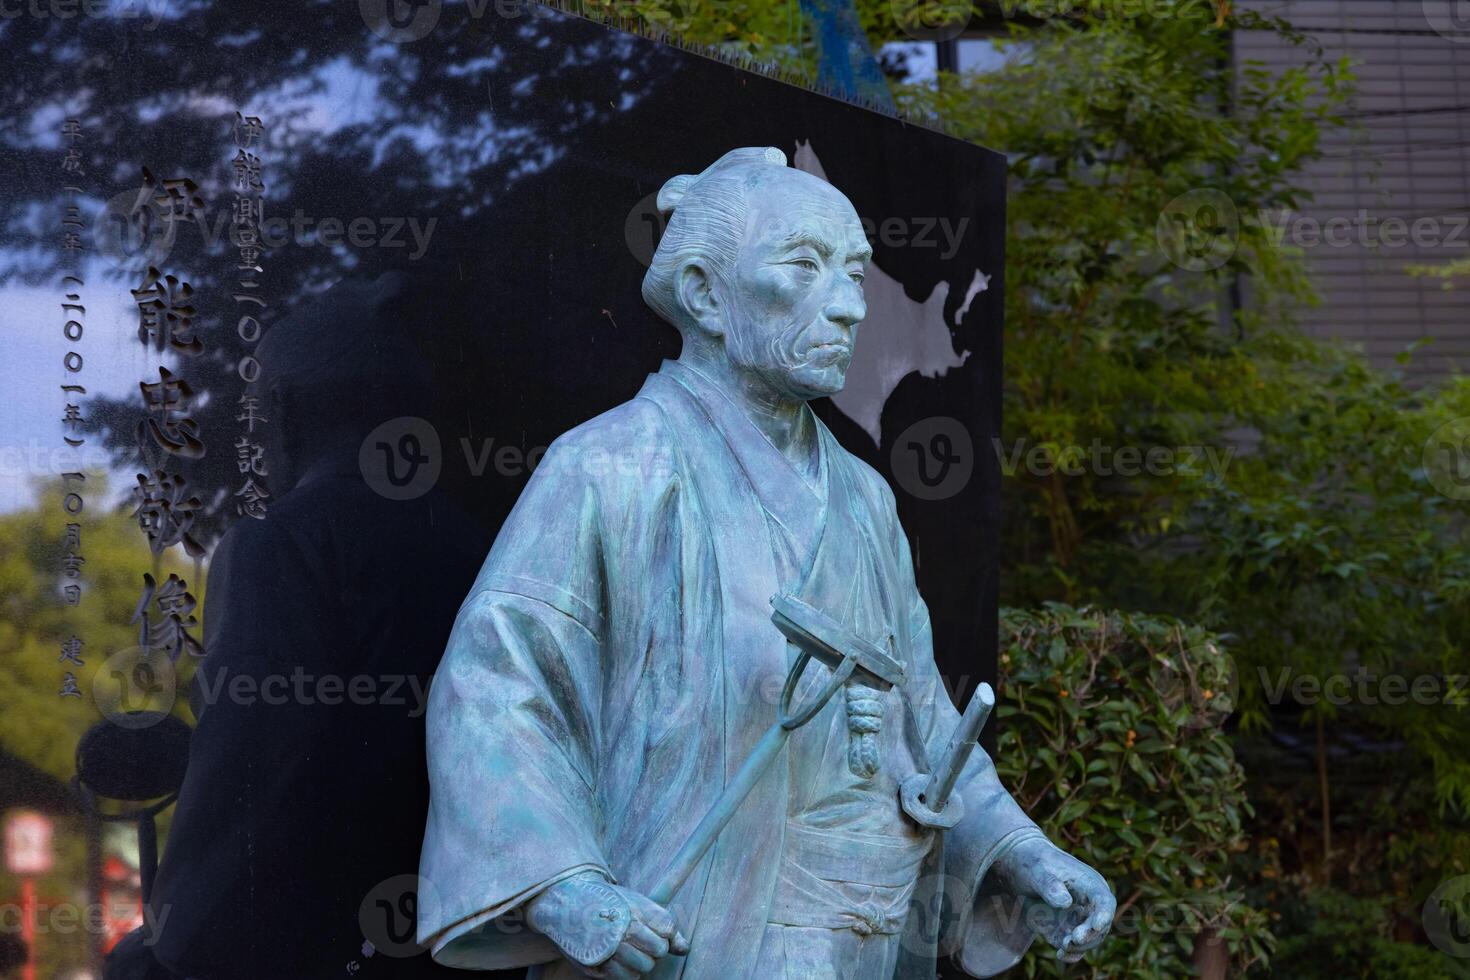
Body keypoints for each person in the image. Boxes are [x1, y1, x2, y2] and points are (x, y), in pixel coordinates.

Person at [416, 148, 1116, 979]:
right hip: (702, 929)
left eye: (854, 273)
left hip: (863, 931)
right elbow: (500, 686)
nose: (851, 307)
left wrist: (1022, 852)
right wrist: (566, 885)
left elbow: (926, 720)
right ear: (707, 294)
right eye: (805, 267)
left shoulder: (864, 497)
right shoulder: (614, 466)